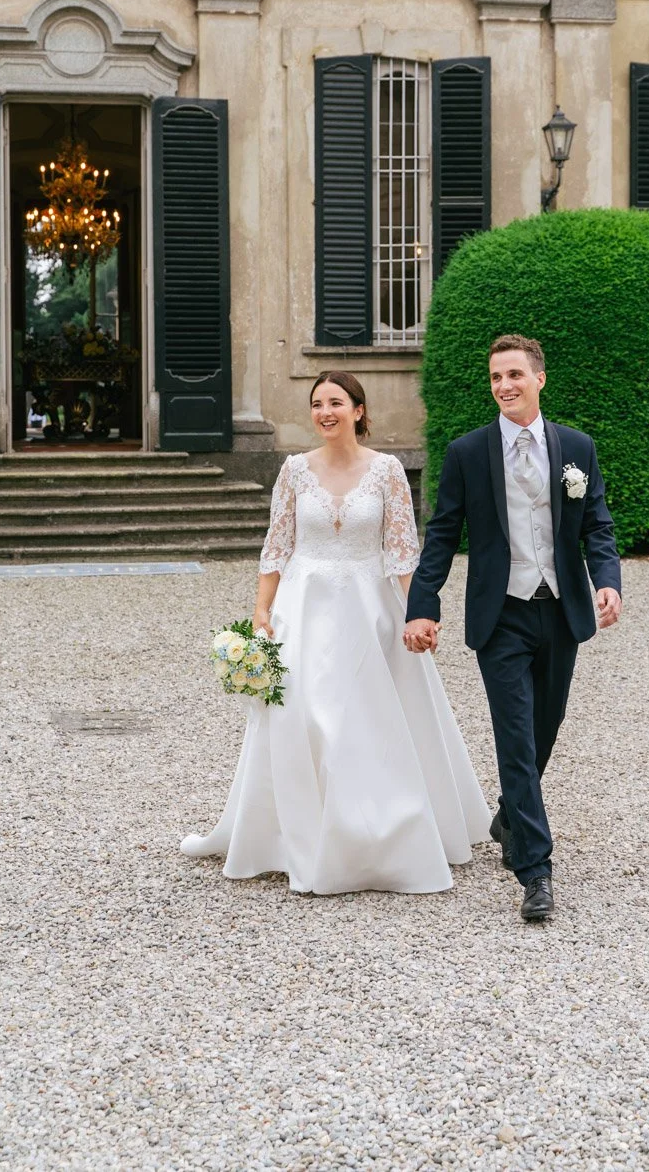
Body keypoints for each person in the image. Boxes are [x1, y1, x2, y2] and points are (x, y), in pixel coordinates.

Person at [181, 370, 491, 894]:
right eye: (317, 404)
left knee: (372, 718)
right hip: (304, 607)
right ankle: (298, 835)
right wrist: (261, 610)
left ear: (358, 410)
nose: (325, 412)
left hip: (373, 609)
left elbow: (402, 552)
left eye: (336, 402)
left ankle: (379, 835)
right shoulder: (294, 470)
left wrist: (420, 612)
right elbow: (277, 545)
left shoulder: (388, 470)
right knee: (307, 716)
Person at [404, 335, 622, 922]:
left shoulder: (577, 447)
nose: (504, 385)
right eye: (497, 377)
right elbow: (442, 534)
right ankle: (535, 870)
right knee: (516, 739)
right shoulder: (467, 453)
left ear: (539, 379)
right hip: (500, 614)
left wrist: (607, 580)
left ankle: (509, 817)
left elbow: (597, 523)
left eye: (515, 375)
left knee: (546, 726)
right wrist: (423, 606)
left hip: (561, 608)